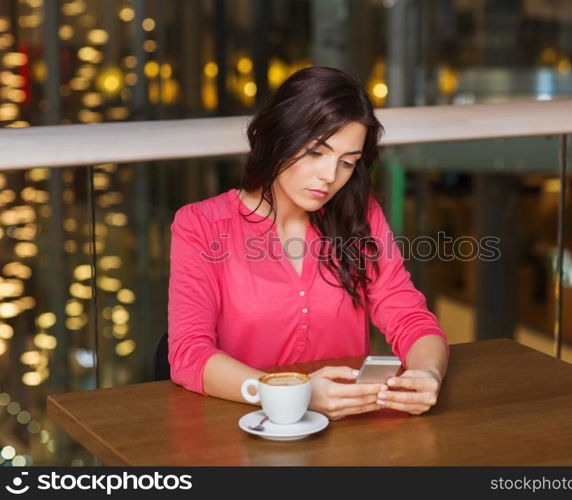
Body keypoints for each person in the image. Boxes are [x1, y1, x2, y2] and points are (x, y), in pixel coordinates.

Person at [168, 66, 449, 420]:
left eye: (348, 163)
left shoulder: (359, 216)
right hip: (245, 431)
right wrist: (290, 394)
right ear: (279, 137)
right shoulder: (201, 226)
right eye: (317, 153)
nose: (330, 177)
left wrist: (428, 374)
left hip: (351, 432)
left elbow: (410, 318)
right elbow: (188, 355)